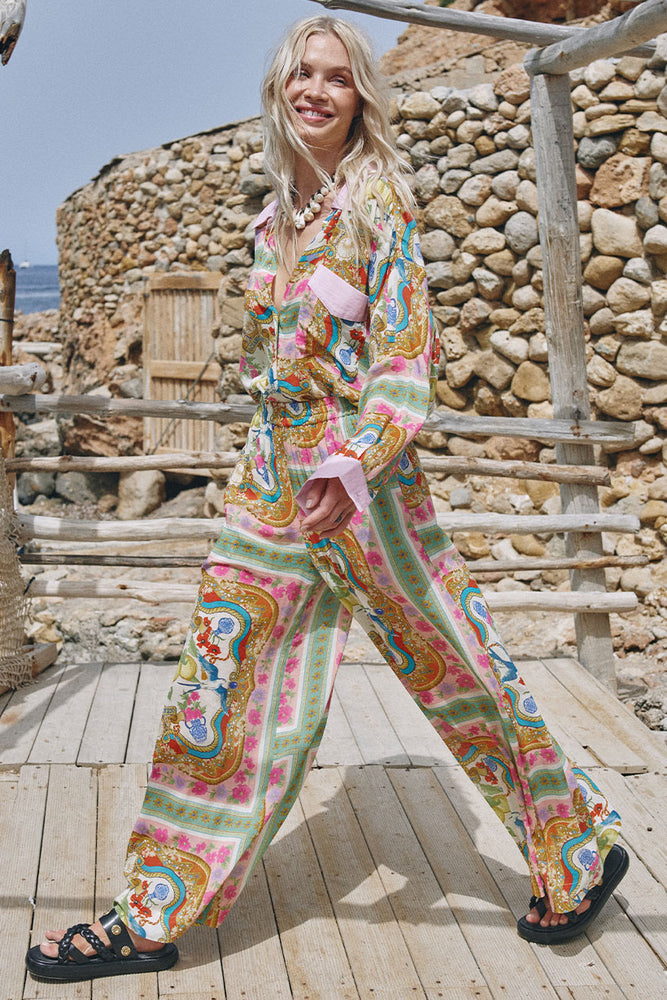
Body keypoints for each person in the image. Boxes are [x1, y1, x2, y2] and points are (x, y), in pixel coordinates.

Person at [27, 14, 628, 984]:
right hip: (269, 486)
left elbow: (406, 361)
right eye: (301, 73)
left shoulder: (379, 205)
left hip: (363, 488)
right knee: (216, 685)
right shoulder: (275, 218)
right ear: (279, 87)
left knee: (461, 669)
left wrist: (350, 466)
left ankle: (577, 848)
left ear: (360, 99)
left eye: (336, 78)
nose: (315, 89)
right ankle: (152, 907)